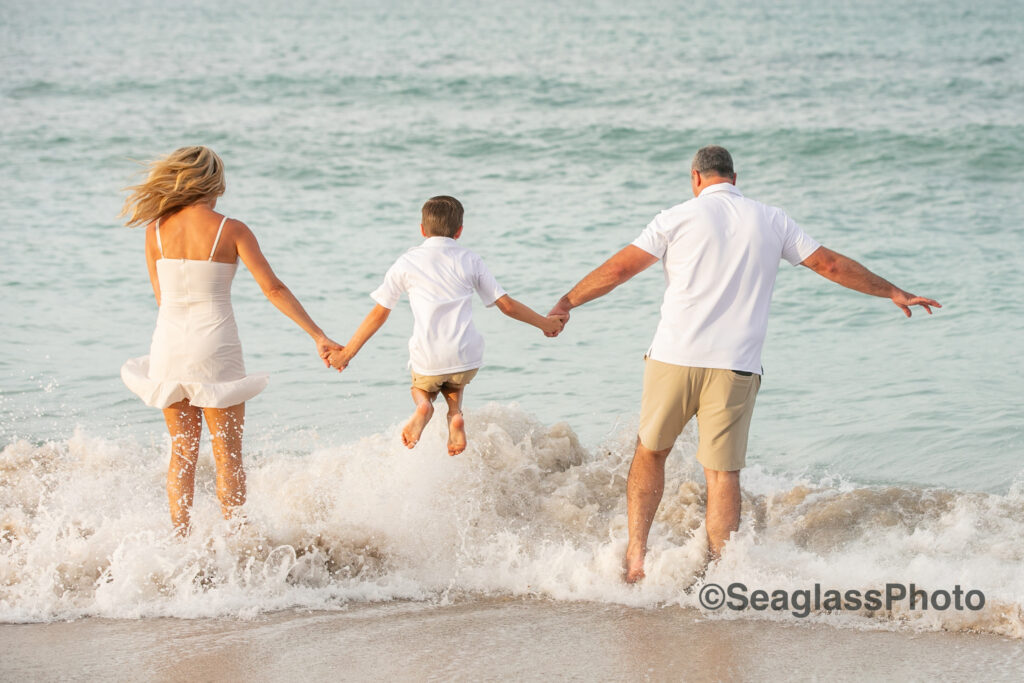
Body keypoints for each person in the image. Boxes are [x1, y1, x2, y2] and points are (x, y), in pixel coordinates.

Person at [548, 146, 940, 582]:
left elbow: (620, 270)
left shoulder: (675, 217)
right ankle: (720, 575)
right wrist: (892, 292)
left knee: (651, 453)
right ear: (735, 179)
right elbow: (829, 265)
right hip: (735, 367)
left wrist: (567, 302)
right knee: (721, 474)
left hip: (673, 358)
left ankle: (637, 558)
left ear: (695, 178)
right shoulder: (772, 219)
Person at [120, 146, 341, 535]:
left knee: (182, 453)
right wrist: (318, 335)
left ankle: (179, 541)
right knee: (228, 456)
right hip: (215, 345)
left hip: (168, 345)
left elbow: (160, 297)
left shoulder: (155, 229)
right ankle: (237, 543)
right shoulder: (231, 229)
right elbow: (272, 289)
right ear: (213, 182)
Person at [325, 195, 565, 455]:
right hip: (466, 355)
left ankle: (423, 408)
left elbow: (379, 314)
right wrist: (545, 323)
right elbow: (506, 305)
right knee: (454, 379)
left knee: (421, 386)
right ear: (459, 231)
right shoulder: (470, 259)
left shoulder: (406, 262)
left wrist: (346, 353)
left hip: (428, 357)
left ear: (421, 229)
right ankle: (454, 414)